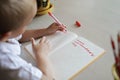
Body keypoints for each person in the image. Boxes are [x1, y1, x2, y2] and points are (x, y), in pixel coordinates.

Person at [0, 0, 64, 80]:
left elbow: (18, 35)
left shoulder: (4, 33)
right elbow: (47, 78)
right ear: (7, 34)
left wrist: (46, 31)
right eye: (26, 24)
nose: (27, 27)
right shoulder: (9, 63)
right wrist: (41, 54)